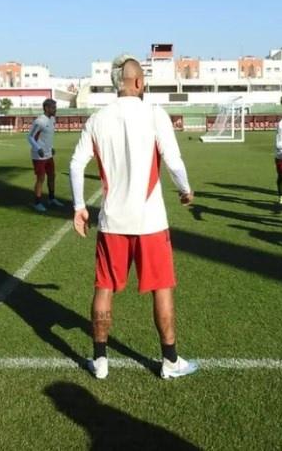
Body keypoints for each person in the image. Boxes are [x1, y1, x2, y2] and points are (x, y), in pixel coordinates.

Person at [69, 55, 197, 380]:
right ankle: (170, 361)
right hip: (151, 222)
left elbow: (74, 164)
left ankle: (100, 361)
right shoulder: (155, 113)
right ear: (139, 83)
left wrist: (79, 206)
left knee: (103, 288)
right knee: (162, 288)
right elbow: (174, 159)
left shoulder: (98, 118)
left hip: (113, 221)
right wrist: (185, 190)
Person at [28, 99, 63, 212]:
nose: (55, 109)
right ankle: (37, 203)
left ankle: (51, 199)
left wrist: (51, 147)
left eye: (55, 107)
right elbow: (30, 137)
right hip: (38, 156)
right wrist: (38, 148)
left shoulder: (52, 119)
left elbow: (48, 137)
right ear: (47, 108)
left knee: (52, 176)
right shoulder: (39, 121)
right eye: (53, 107)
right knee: (41, 178)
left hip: (48, 154)